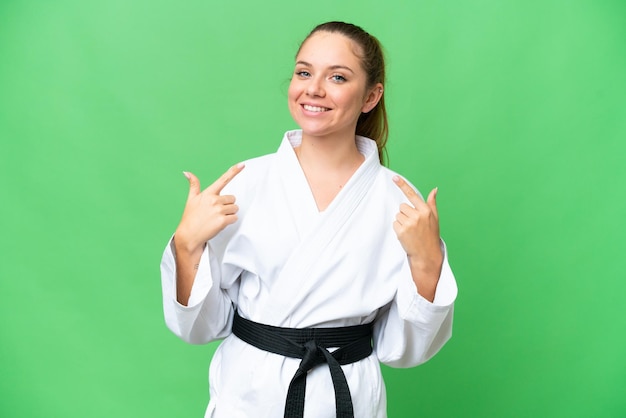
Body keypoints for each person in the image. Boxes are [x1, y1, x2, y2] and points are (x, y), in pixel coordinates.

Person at [161, 21, 457, 418]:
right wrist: (186, 246)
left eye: (337, 77)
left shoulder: (397, 200)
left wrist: (427, 263)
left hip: (346, 394)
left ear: (371, 96)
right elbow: (200, 327)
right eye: (304, 72)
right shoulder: (245, 183)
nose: (313, 89)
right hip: (250, 395)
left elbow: (402, 349)